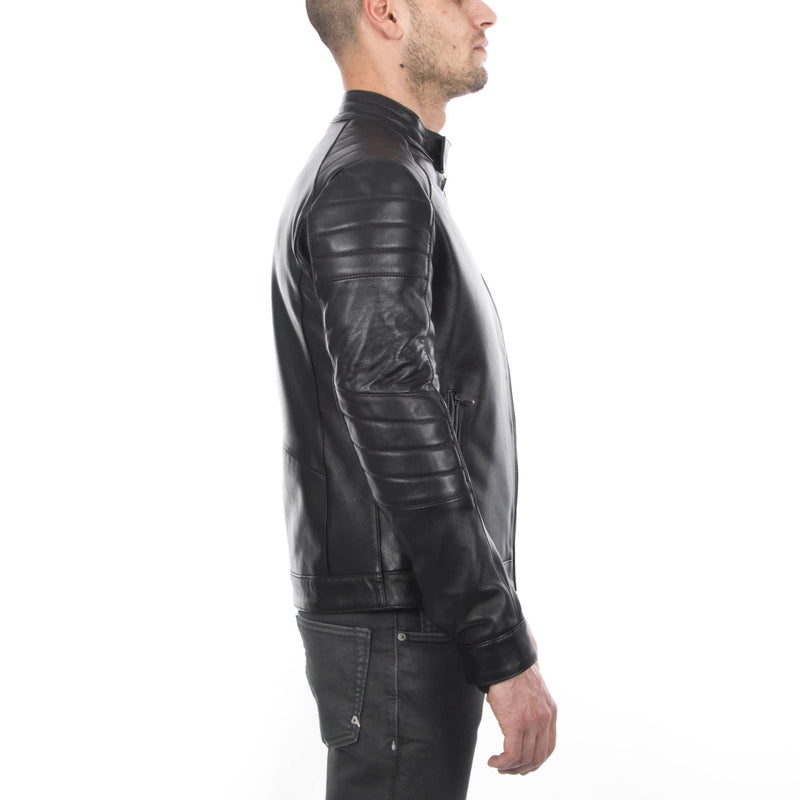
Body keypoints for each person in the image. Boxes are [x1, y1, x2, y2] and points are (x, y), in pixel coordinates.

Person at [270, 1, 557, 797]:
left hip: (407, 613)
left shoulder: (387, 170)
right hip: (401, 623)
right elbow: (394, 411)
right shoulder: (374, 179)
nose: (486, 13)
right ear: (386, 13)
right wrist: (502, 648)